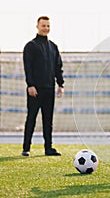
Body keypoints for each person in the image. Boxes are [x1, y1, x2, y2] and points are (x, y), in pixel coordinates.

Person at [22, 16, 64, 156]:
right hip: (35, 89)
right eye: (43, 25)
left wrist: (60, 84)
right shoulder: (31, 46)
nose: (46, 28)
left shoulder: (53, 47)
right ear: (37, 26)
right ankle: (26, 148)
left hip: (49, 88)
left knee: (48, 120)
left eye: (48, 26)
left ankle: (48, 148)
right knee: (31, 118)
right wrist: (30, 85)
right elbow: (28, 67)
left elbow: (58, 67)